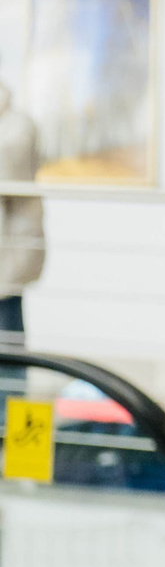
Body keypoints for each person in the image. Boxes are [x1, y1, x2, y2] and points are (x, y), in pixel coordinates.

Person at [0, 77, 43, 384]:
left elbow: (10, 169)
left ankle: (7, 418)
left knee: (9, 346)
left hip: (8, 259)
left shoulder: (17, 126)